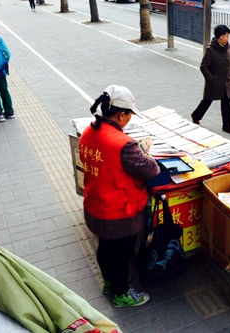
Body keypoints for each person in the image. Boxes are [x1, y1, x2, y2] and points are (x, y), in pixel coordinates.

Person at [79, 85, 160, 308]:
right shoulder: (124, 144)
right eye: (130, 115)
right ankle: (121, 293)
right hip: (118, 212)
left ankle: (108, 282)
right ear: (121, 114)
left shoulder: (90, 130)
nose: (130, 119)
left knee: (105, 247)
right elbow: (150, 170)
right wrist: (144, 151)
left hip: (96, 205)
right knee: (121, 254)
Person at [191, 25, 230, 134]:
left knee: (227, 104)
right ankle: (196, 116)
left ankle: (227, 126)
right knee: (207, 101)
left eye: (227, 36)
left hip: (226, 82)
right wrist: (211, 79)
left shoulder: (228, 47)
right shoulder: (211, 50)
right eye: (224, 36)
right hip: (214, 82)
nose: (226, 39)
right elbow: (203, 66)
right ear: (217, 37)